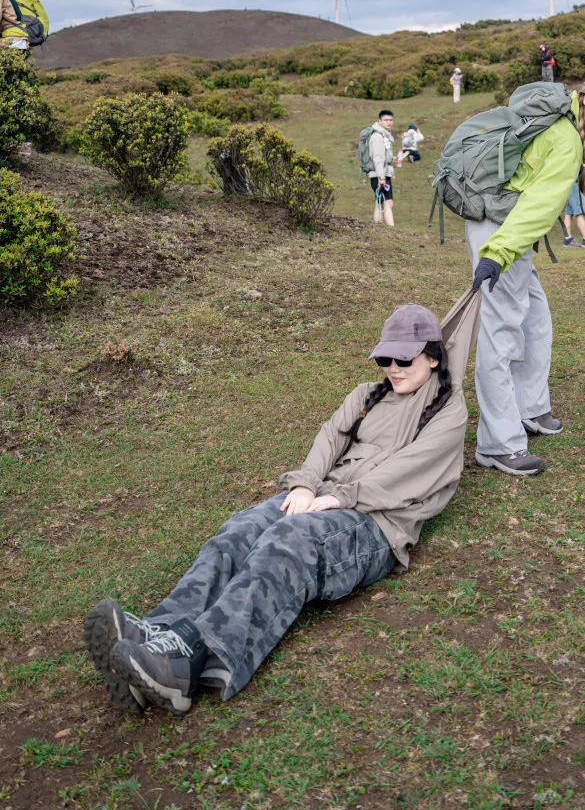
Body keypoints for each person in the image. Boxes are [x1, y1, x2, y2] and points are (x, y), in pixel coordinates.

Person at [84, 291, 480, 716]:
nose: (394, 369)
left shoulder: (448, 411)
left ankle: (187, 662)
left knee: (288, 543)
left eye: (405, 360)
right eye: (387, 360)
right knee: (241, 530)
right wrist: (307, 485)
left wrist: (338, 496)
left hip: (376, 523)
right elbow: (330, 437)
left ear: (433, 358)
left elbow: (409, 470)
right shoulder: (369, 395)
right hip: (327, 496)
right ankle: (156, 636)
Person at [467, 68, 585, 477]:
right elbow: (540, 208)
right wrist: (496, 254)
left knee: (535, 317)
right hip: (502, 226)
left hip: (506, 221)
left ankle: (530, 408)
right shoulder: (564, 138)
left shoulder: (562, 116)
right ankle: (498, 443)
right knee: (501, 329)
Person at [368, 109, 396, 226]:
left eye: (390, 120)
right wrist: (381, 177)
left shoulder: (385, 136)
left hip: (383, 173)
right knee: (387, 202)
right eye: (386, 120)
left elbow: (384, 157)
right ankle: (392, 228)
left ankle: (378, 225)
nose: (389, 122)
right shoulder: (377, 136)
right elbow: (377, 158)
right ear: (380, 121)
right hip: (379, 174)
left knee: (380, 201)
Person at [562, 176, 585, 248]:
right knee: (579, 213)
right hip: (575, 185)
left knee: (569, 213)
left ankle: (568, 239)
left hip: (568, 185)